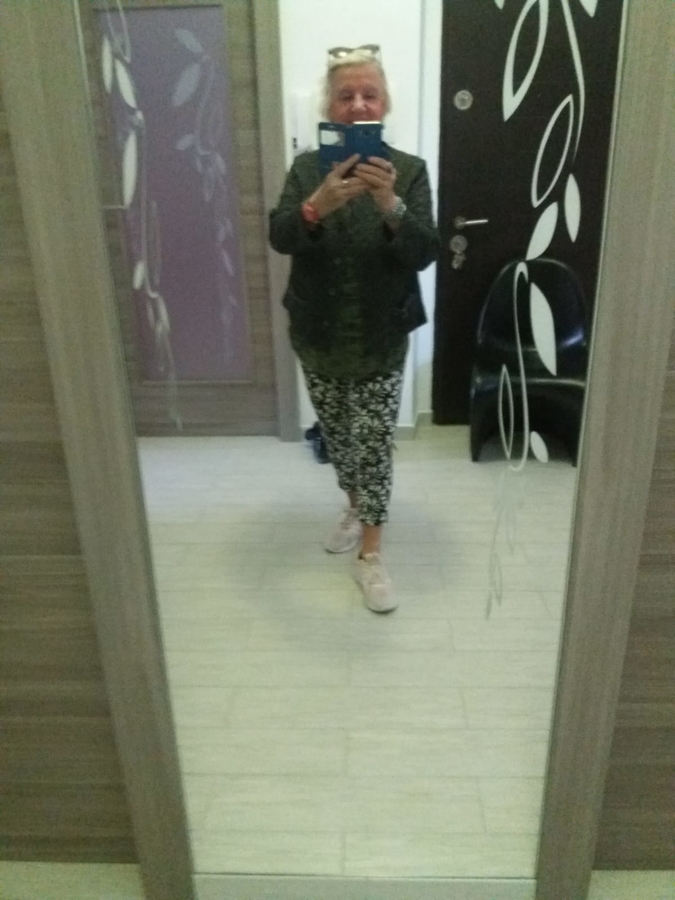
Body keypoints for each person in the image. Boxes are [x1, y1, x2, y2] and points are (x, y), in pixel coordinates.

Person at [269, 45, 439, 613]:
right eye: (346, 95)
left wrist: (390, 202)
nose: (358, 104)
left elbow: (424, 251)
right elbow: (280, 236)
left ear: (384, 105)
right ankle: (354, 504)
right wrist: (314, 207)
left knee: (373, 444)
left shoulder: (408, 171)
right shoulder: (305, 170)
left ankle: (371, 554)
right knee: (340, 439)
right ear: (329, 107)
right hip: (316, 331)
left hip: (381, 334)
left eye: (370, 94)